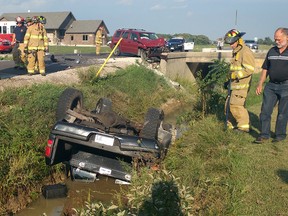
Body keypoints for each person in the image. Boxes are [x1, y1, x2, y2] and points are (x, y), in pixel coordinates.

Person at [254, 28, 288, 143]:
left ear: (286, 37)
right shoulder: (271, 51)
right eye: (275, 39)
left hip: (286, 86)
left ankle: (280, 135)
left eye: (278, 39)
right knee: (265, 111)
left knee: (282, 113)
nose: (276, 41)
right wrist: (260, 84)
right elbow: (265, 68)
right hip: (271, 86)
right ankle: (264, 135)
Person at [223, 29, 255, 133]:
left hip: (241, 86)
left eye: (232, 43)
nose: (231, 45)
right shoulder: (237, 51)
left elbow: (249, 69)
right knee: (228, 105)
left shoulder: (245, 52)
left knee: (236, 106)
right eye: (230, 43)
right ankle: (231, 125)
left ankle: (243, 127)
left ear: (238, 40)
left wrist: (234, 75)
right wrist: (228, 80)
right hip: (234, 84)